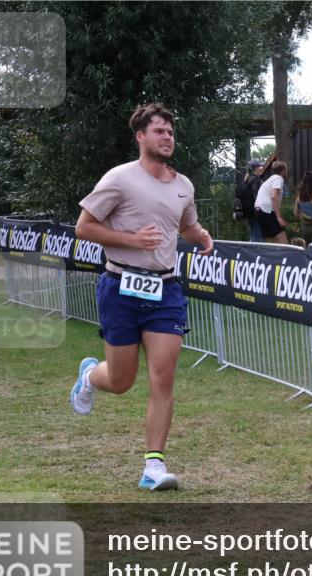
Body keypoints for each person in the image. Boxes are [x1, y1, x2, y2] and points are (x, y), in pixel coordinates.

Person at [69, 103, 214, 491]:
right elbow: (84, 227)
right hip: (120, 286)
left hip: (166, 289)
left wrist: (199, 235)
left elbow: (185, 224)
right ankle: (90, 376)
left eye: (170, 131)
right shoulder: (120, 179)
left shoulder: (184, 185)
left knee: (162, 377)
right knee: (121, 381)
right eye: (159, 131)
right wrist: (132, 240)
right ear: (140, 137)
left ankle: (153, 466)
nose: (167, 137)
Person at [255, 160, 289, 244]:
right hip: (267, 210)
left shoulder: (269, 179)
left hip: (258, 210)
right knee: (283, 242)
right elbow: (274, 196)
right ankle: (286, 257)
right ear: (283, 171)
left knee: (271, 240)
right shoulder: (279, 178)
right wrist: (279, 217)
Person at [237, 159, 265, 242]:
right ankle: (257, 253)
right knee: (257, 235)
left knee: (253, 233)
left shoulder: (247, 180)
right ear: (255, 168)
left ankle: (251, 252)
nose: (261, 168)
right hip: (255, 210)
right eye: (260, 166)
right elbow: (257, 196)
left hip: (248, 209)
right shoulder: (255, 180)